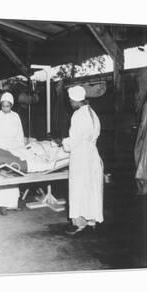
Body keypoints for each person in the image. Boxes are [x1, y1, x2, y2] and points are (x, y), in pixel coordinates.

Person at [62, 85, 104, 234]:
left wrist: (63, 143)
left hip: (80, 156)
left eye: (70, 100)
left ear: (74, 100)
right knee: (91, 188)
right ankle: (91, 221)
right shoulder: (92, 113)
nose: (70, 103)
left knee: (78, 189)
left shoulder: (78, 115)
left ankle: (79, 223)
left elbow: (74, 140)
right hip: (92, 154)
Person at [0, 92, 25, 215]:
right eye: (3, 106)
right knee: (1, 176)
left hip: (13, 149)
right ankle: (1, 204)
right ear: (1, 105)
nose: (5, 108)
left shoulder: (16, 117)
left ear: (11, 105)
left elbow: (19, 134)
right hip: (0, 149)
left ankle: (11, 204)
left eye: (8, 106)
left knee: (13, 175)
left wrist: (21, 149)